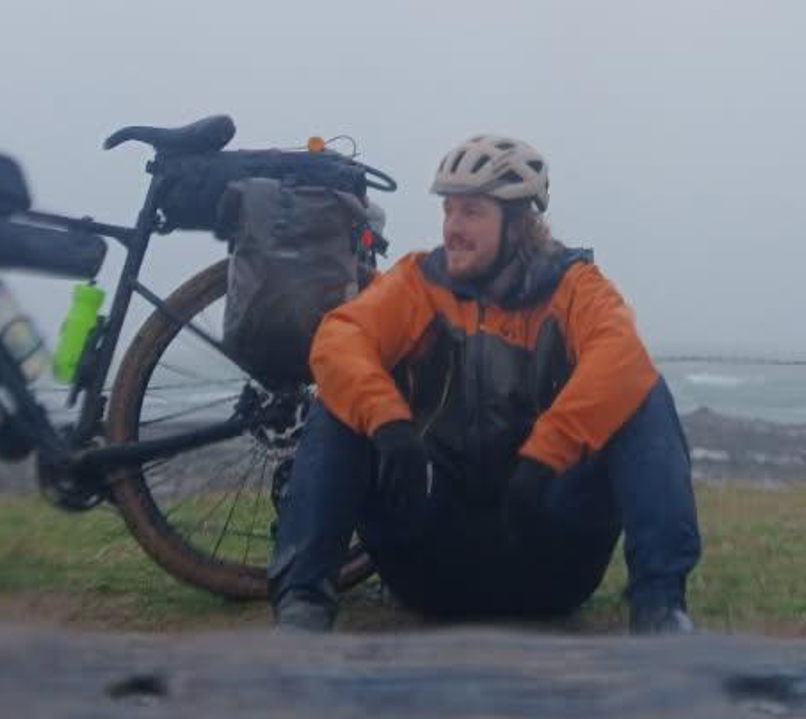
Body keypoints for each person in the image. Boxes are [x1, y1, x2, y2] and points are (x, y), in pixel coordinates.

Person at [268, 134, 701, 634]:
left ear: (518, 224)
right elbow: (341, 338)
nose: (452, 228)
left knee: (642, 392)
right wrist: (387, 422)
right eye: (448, 211)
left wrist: (547, 455)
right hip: (430, 558)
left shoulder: (574, 287)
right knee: (341, 398)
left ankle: (660, 609)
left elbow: (620, 357)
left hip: (549, 553)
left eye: (471, 212)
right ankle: (302, 604)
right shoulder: (417, 282)